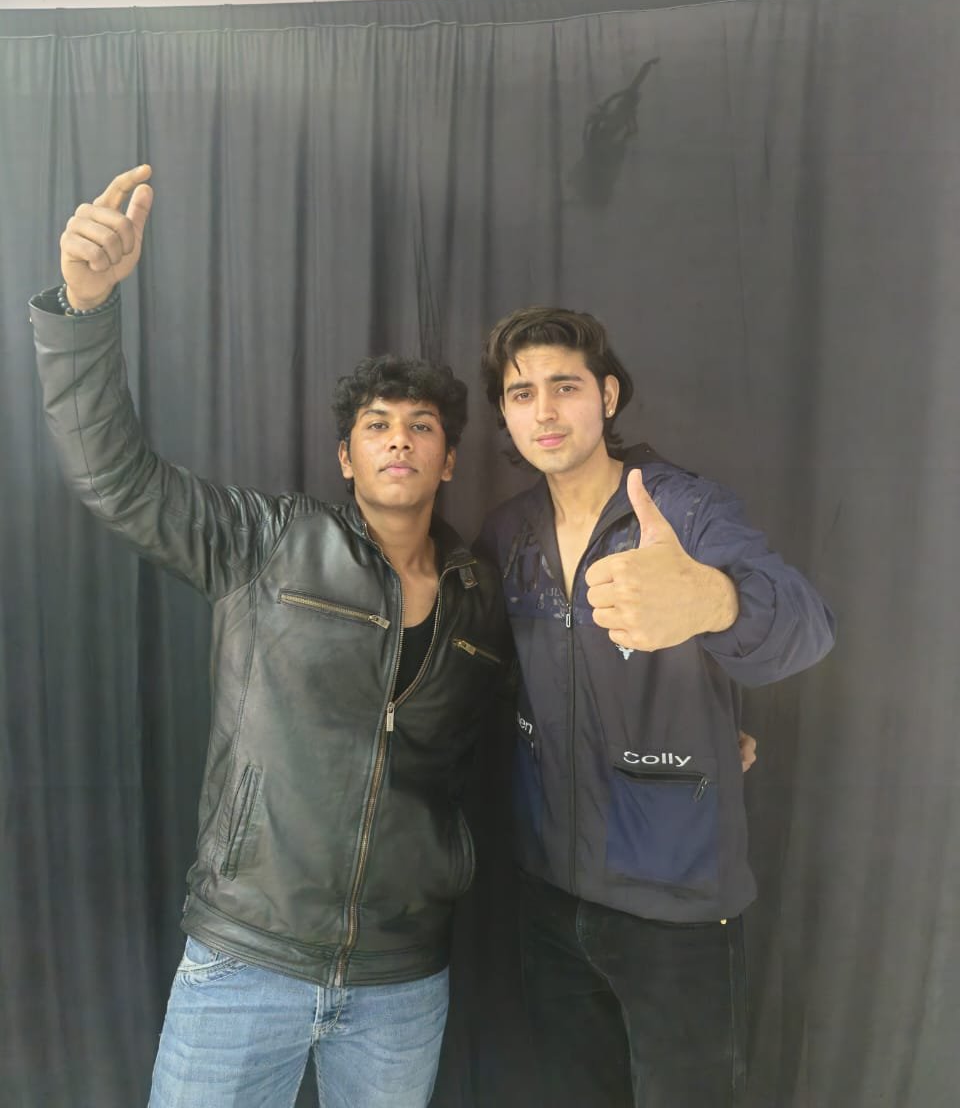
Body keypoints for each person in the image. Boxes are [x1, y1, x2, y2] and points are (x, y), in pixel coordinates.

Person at [29, 164, 513, 1108]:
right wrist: (84, 311)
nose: (400, 439)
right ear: (347, 457)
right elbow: (115, 479)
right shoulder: (269, 542)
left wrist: (702, 726)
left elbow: (553, 715)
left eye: (422, 427)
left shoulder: (480, 597)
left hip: (402, 977)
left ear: (450, 458)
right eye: (378, 425)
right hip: (246, 957)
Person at [476, 306, 836, 1108]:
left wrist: (713, 601)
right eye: (522, 393)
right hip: (548, 897)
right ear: (504, 411)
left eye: (566, 387)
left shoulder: (684, 511)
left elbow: (808, 626)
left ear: (606, 396)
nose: (544, 410)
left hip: (676, 910)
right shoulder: (507, 534)